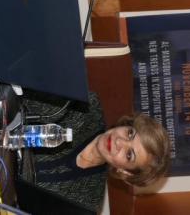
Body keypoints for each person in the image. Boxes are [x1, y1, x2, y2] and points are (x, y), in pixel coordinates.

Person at [17, 90, 170, 212]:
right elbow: (20, 98)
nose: (119, 141)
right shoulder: (87, 107)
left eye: (129, 154)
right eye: (130, 134)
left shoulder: (89, 200)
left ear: (125, 172)